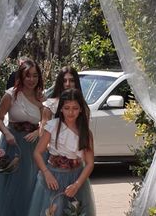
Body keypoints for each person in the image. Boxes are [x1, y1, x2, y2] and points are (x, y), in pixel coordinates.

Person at [0, 59, 44, 216]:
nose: (31, 80)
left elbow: (46, 121)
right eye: (28, 76)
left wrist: (38, 131)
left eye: (35, 76)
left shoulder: (40, 98)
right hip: (13, 144)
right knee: (10, 187)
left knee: (31, 185)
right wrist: (7, 133)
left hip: (34, 147)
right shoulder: (10, 95)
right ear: (21, 77)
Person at [28, 88, 96, 216]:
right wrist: (46, 173)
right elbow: (37, 152)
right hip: (53, 177)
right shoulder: (53, 126)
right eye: (67, 108)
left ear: (81, 109)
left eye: (75, 108)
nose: (71, 112)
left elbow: (90, 163)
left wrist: (77, 185)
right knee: (52, 211)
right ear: (61, 109)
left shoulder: (86, 133)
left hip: (76, 179)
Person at [41, 66, 83, 131]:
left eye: (71, 81)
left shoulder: (83, 105)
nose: (68, 84)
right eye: (64, 81)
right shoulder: (49, 105)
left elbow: (85, 132)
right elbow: (43, 133)